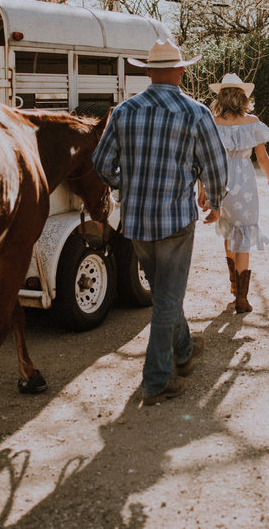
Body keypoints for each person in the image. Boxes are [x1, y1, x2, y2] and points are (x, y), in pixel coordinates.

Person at [92, 40, 228, 406]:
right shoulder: (195, 111)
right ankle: (157, 380)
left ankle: (182, 351)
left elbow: (102, 164)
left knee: (164, 291)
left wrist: (127, 184)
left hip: (136, 221)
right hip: (175, 220)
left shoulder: (123, 111)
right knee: (168, 297)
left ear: (148, 72)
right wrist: (214, 202)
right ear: (181, 70)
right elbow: (215, 165)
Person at [199, 73, 269, 314]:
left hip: (220, 181)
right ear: (243, 97)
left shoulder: (211, 122)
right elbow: (261, 157)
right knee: (242, 236)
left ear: (220, 97)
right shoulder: (252, 122)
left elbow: (204, 159)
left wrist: (202, 189)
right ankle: (242, 298)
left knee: (228, 232)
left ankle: (233, 285)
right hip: (244, 182)